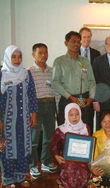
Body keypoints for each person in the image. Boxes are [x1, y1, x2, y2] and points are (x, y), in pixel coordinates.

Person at [0, 45, 38, 187]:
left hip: (24, 120)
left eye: (19, 56)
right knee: (8, 150)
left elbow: (32, 95)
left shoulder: (26, 74)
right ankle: (8, 179)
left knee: (24, 148)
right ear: (8, 58)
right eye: (13, 56)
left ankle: (21, 177)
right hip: (7, 121)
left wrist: (34, 114)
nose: (17, 59)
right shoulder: (2, 75)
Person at [52, 31, 96, 134]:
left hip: (85, 101)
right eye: (73, 41)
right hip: (68, 100)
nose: (76, 44)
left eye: (78, 42)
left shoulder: (85, 61)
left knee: (86, 130)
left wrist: (91, 98)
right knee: (66, 133)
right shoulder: (59, 61)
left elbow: (92, 82)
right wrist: (70, 97)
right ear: (66, 43)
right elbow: (55, 82)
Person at [28, 43, 58, 179]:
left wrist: (57, 109)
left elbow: (56, 91)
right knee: (34, 138)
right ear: (33, 54)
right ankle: (33, 165)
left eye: (46, 52)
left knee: (49, 137)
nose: (44, 55)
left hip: (50, 104)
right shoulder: (29, 72)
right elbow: (28, 94)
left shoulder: (52, 71)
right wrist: (31, 112)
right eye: (40, 52)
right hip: (36, 107)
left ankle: (46, 162)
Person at [51, 103, 91, 188]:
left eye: (77, 114)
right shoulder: (61, 130)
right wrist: (57, 156)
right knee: (70, 169)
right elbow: (53, 146)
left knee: (83, 171)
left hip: (82, 159)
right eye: (71, 115)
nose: (74, 117)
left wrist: (89, 157)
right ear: (66, 115)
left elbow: (88, 145)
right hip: (66, 159)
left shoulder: (85, 128)